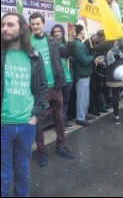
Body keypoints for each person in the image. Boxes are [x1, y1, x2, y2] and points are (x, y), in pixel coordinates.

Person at [1, 13, 48, 197]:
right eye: (2, 24)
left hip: (26, 125)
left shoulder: (34, 56)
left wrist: (35, 117)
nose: (5, 28)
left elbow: (43, 87)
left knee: (23, 171)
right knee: (4, 174)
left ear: (21, 29)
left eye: (10, 25)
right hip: (3, 125)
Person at [29, 13, 75, 167]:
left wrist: (71, 41)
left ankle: (61, 146)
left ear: (43, 24)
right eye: (33, 24)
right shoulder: (27, 43)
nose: (35, 26)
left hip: (56, 86)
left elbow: (66, 54)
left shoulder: (53, 41)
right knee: (38, 122)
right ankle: (41, 150)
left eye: (38, 23)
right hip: (39, 89)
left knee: (59, 118)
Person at [93, 38, 123, 124]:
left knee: (115, 95)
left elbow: (94, 47)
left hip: (112, 72)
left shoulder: (106, 43)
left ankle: (117, 117)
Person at [50, 24, 75, 130]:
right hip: (57, 79)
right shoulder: (50, 45)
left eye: (58, 31)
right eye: (54, 31)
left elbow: (71, 57)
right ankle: (59, 125)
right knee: (57, 104)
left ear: (62, 32)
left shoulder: (67, 44)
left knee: (65, 102)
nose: (56, 33)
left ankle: (63, 122)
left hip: (68, 77)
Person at [73, 24, 94, 126]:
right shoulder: (79, 45)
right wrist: (93, 56)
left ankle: (84, 114)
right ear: (81, 31)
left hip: (84, 74)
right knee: (82, 97)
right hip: (82, 74)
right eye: (84, 30)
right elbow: (84, 60)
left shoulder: (79, 44)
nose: (85, 32)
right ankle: (80, 118)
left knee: (85, 96)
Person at [84, 29, 108, 115]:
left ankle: (99, 106)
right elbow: (87, 55)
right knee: (92, 88)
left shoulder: (100, 43)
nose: (102, 42)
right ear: (97, 36)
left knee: (98, 88)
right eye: (101, 40)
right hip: (92, 69)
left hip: (99, 68)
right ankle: (92, 108)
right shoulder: (88, 43)